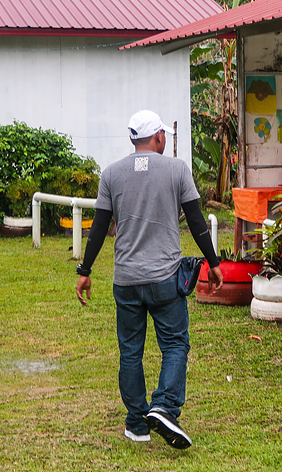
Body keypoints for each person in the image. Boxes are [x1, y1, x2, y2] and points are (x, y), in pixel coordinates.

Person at [74, 109, 223, 450]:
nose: (165, 140)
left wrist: (85, 271)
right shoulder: (176, 169)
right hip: (165, 279)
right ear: (157, 136)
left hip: (125, 280)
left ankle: (136, 423)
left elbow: (98, 228)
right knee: (174, 345)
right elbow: (198, 223)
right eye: (164, 136)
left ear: (132, 139)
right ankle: (165, 407)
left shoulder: (111, 174)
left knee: (130, 351)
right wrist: (214, 264)